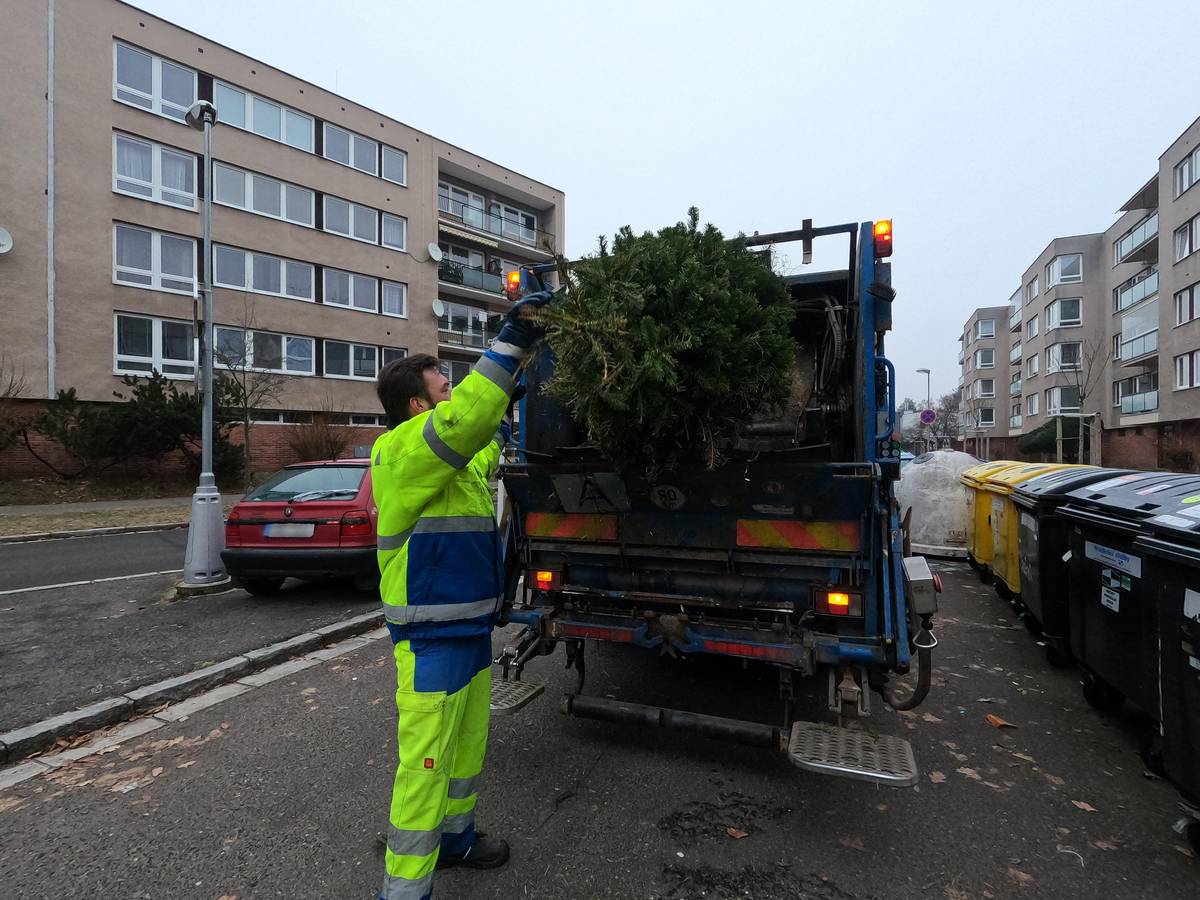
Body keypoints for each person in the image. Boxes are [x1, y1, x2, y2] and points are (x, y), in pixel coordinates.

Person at [370, 287, 553, 900]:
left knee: (465, 751)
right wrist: (513, 343)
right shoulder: (400, 451)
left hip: (469, 631)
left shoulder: (450, 461)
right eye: (445, 387)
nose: (453, 392)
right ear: (418, 404)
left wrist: (504, 409)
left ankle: (456, 840)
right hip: (429, 640)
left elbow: (480, 444)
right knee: (424, 766)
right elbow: (463, 424)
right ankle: (404, 890)